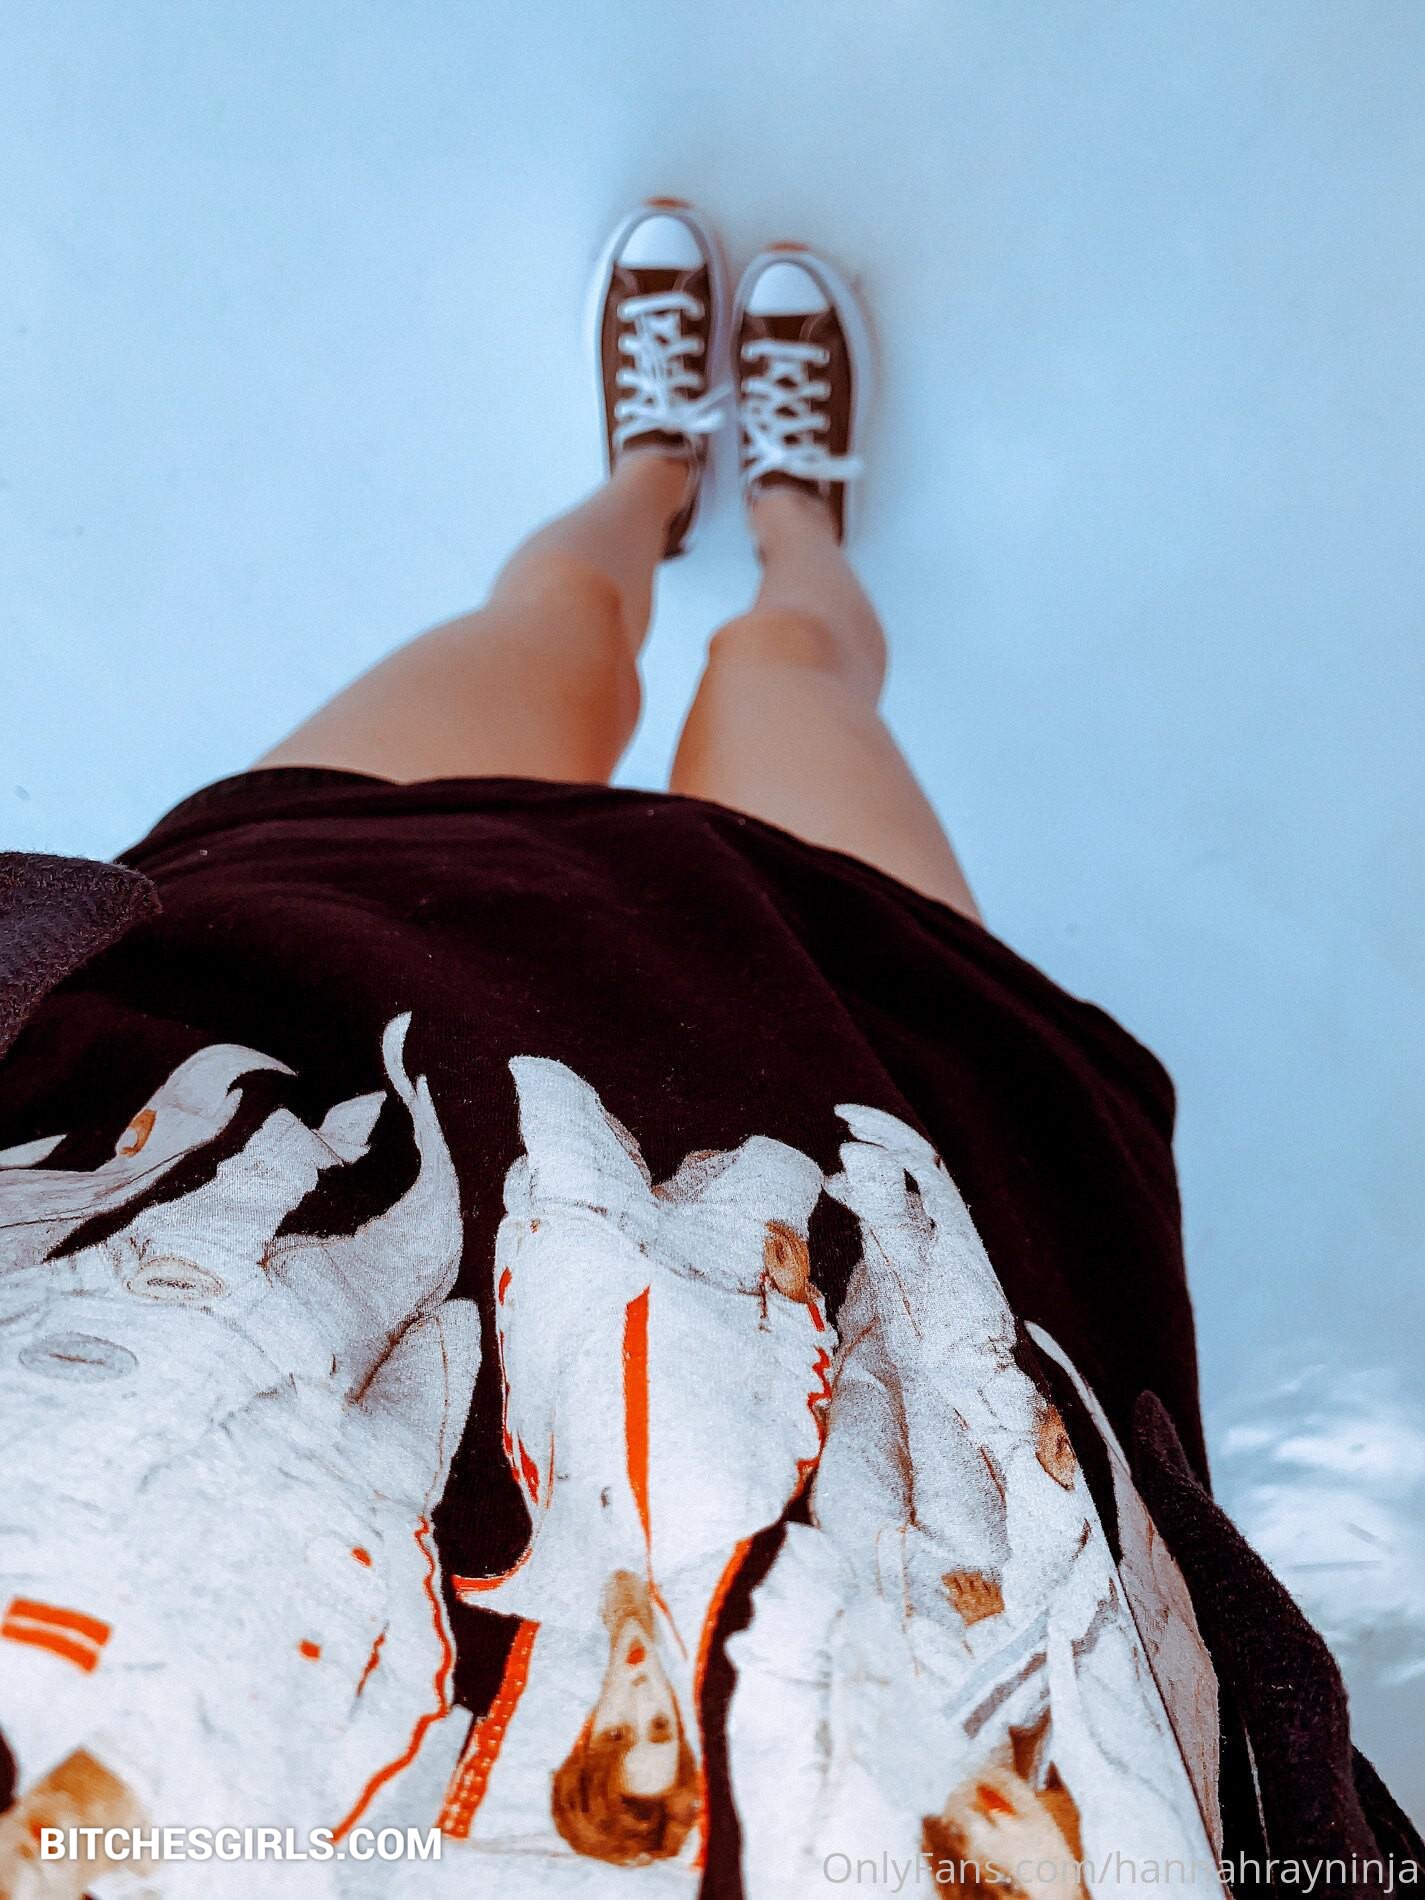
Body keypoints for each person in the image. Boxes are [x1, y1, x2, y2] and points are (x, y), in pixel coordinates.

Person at [0, 199, 1418, 1897]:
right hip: (866, 1224)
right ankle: (795, 518)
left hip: (252, 1093)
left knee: (547, 624)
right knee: (789, 670)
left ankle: (657, 478)